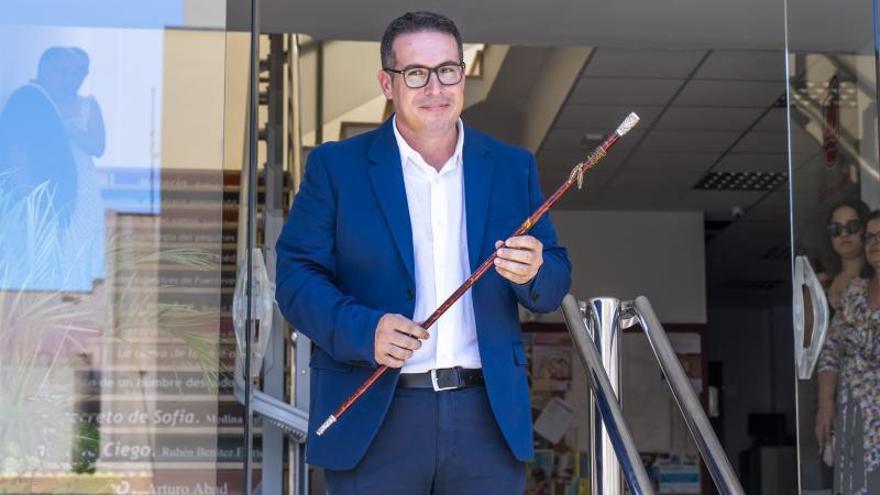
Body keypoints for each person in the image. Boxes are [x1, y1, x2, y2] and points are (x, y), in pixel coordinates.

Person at [275, 11, 571, 495]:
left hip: (486, 420)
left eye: (447, 70)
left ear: (462, 74)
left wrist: (535, 268)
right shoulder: (336, 167)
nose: (435, 87)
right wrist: (363, 329)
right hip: (376, 416)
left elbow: (556, 277)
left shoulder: (512, 167)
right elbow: (294, 277)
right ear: (387, 84)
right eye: (416, 73)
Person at [816, 209, 880, 494]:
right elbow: (831, 350)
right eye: (869, 237)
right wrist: (826, 404)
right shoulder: (855, 291)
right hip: (853, 415)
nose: (874, 244)